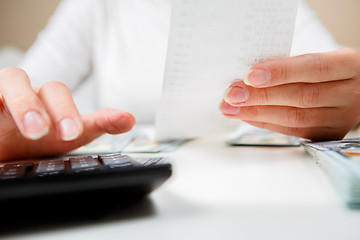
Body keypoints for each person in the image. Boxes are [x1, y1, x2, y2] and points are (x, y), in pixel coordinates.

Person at [0, 0, 359, 161]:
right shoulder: (96, 4)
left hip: (262, 184)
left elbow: (334, 78)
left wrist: (349, 102)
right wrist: (15, 123)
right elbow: (26, 92)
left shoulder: (270, 5)